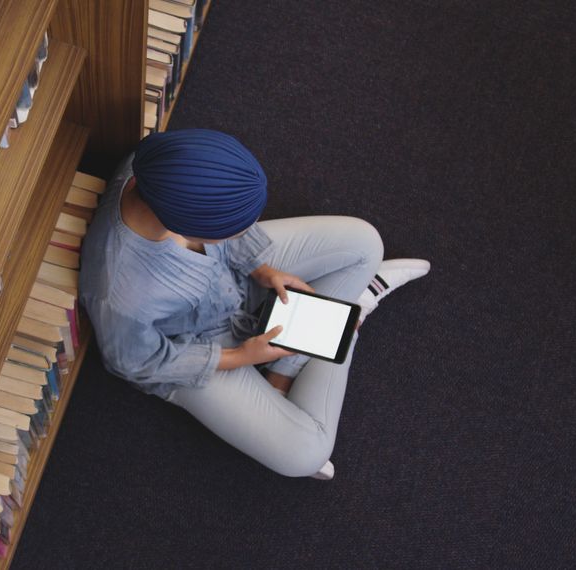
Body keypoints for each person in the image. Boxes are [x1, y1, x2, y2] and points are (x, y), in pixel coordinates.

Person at [78, 129, 429, 478]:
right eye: (231, 228)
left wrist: (261, 269)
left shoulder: (160, 168)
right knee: (306, 454)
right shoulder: (120, 294)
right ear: (188, 227)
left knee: (363, 242)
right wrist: (240, 358)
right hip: (195, 347)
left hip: (231, 283)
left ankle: (286, 369)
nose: (242, 232)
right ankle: (352, 317)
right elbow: (135, 363)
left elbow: (230, 234)